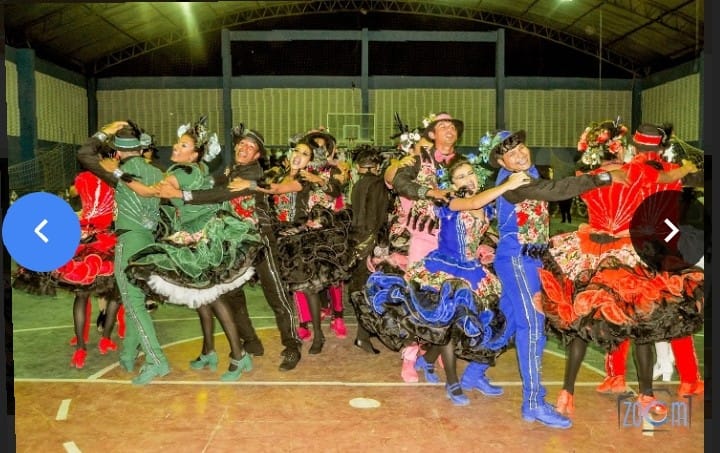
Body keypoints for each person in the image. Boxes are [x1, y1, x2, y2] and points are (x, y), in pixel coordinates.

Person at [353, 150, 530, 405]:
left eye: (470, 173)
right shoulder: (450, 200)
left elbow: (485, 216)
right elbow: (471, 203)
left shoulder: (487, 206)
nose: (467, 179)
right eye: (460, 177)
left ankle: (427, 361)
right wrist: (507, 185)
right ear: (452, 184)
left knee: (461, 326)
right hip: (445, 270)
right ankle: (452, 381)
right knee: (446, 323)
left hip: (472, 271)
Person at [553, 122, 705, 404]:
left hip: (600, 250)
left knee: (607, 310)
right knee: (665, 313)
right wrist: (685, 169)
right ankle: (684, 382)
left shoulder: (599, 176)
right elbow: (670, 186)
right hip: (649, 247)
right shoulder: (652, 171)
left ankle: (607, 379)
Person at [487, 128, 627, 429]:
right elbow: (554, 190)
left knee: (509, 322)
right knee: (533, 328)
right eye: (510, 153)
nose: (520, 154)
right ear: (501, 162)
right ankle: (533, 402)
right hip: (517, 261)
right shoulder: (513, 183)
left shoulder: (528, 172)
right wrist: (602, 178)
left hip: (532, 259)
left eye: (521, 147)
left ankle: (473, 374)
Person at [106, 116, 260, 382]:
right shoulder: (195, 169)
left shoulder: (180, 172)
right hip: (198, 234)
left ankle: (239, 356)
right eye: (177, 143)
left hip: (204, 236)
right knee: (201, 296)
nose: (176, 147)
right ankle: (209, 351)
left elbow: (153, 191)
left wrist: (118, 173)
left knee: (213, 297)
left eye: (184, 145)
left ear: (194, 154)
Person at [158, 125, 303, 372]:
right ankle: (251, 341)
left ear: (257, 155)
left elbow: (219, 194)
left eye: (251, 147)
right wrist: (193, 171)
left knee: (276, 294)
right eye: (242, 144)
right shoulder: (231, 169)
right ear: (236, 146)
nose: (245, 148)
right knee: (230, 294)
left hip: (259, 239)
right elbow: (211, 184)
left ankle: (292, 346)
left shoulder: (253, 173)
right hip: (235, 242)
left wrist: (183, 194)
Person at [78, 120, 170, 385]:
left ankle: (156, 360)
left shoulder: (118, 173)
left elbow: (84, 153)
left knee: (133, 303)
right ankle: (128, 354)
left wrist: (104, 132)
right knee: (134, 300)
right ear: (141, 149)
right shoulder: (155, 172)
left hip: (129, 241)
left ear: (117, 152)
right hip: (148, 242)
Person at [251, 136, 354, 355]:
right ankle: (303, 325)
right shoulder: (278, 174)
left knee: (309, 288)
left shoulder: (304, 180)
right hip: (280, 238)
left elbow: (276, 190)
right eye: (297, 150)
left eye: (305, 154)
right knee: (294, 288)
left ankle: (320, 332)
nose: (299, 155)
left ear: (310, 161)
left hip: (300, 238)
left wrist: (250, 185)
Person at [386, 112, 459, 382]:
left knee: (449, 297)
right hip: (424, 238)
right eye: (443, 126)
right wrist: (429, 192)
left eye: (452, 126)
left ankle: (438, 345)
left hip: (454, 241)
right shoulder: (418, 160)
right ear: (432, 134)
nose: (449, 130)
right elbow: (397, 181)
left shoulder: (464, 162)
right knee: (418, 297)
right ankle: (410, 355)